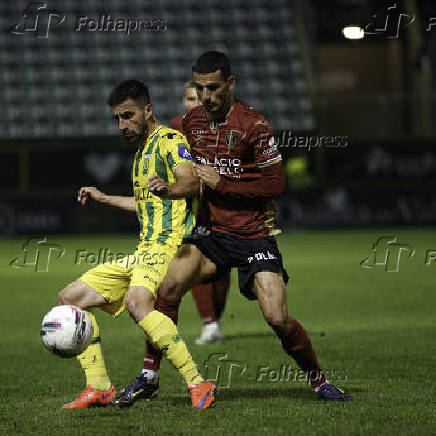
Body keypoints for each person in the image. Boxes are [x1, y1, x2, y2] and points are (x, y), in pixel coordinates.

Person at [114, 52, 351, 407]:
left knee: (277, 316)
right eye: (199, 87)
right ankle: (149, 375)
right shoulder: (190, 123)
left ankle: (319, 381)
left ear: (231, 83)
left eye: (213, 87)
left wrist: (223, 184)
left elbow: (276, 184)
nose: (206, 95)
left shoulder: (254, 125)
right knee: (169, 284)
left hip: (253, 235)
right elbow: (159, 134)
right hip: (210, 235)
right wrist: (135, 123)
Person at [57, 79, 215, 410]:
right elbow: (145, 202)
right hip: (144, 251)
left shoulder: (169, 140)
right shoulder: (141, 153)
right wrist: (104, 198)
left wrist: (169, 188)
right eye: (117, 118)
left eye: (128, 115)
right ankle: (100, 387)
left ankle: (198, 383)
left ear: (148, 110)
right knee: (69, 299)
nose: (122, 125)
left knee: (138, 302)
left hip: (169, 246)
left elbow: (190, 179)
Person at [171, 80, 229, 345]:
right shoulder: (175, 128)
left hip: (222, 205)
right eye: (189, 99)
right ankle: (209, 323)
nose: (194, 103)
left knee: (222, 266)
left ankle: (215, 321)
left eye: (198, 99)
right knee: (195, 260)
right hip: (190, 207)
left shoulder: (223, 127)